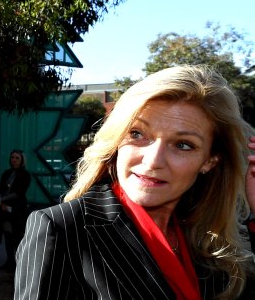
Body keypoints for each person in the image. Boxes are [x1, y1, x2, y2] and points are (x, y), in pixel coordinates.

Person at [15, 65, 255, 299]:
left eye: (183, 145)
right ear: (117, 138)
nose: (152, 161)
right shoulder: (62, 228)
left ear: (210, 161)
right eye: (137, 134)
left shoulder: (212, 240)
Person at [0, 149, 31, 273]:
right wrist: (1, 201)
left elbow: (20, 193)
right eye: (12, 157)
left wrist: (3, 200)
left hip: (17, 209)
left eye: (17, 158)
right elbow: (0, 188)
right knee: (7, 235)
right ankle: (9, 261)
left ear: (22, 160)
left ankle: (19, 263)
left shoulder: (25, 175)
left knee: (17, 236)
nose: (14, 160)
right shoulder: (6, 173)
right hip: (4, 209)